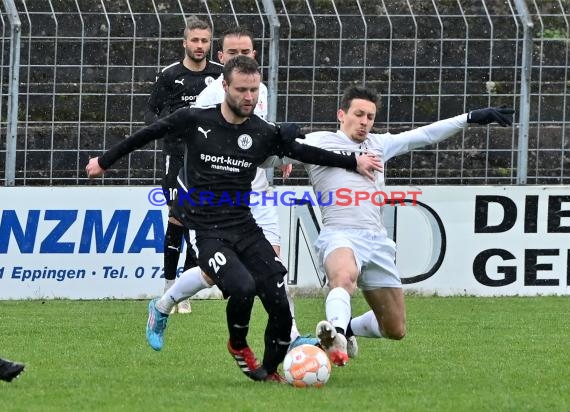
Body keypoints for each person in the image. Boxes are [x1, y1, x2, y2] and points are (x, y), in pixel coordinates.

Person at [86, 56, 381, 382]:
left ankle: (268, 371)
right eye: (242, 90)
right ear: (224, 86)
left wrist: (353, 162)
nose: (249, 97)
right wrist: (104, 160)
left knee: (279, 305)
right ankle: (237, 344)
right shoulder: (194, 119)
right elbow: (145, 134)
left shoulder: (260, 130)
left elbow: (305, 152)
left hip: (244, 226)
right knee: (242, 286)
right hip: (207, 229)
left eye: (254, 90)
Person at [299, 85, 514, 366]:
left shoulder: (379, 144)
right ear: (342, 114)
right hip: (339, 233)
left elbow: (424, 135)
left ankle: (347, 329)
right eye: (359, 114)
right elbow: (272, 149)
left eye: (370, 117)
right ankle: (336, 334)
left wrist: (470, 117)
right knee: (344, 277)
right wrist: (283, 160)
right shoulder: (317, 141)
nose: (365, 121)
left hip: (376, 240)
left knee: (395, 329)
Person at [149, 26, 314, 350]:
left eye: (247, 52)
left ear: (254, 55)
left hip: (260, 194)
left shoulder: (259, 89)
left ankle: (292, 339)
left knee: (273, 272)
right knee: (212, 275)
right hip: (224, 202)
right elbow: (199, 146)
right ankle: (164, 304)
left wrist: (276, 156)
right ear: (222, 58)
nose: (241, 57)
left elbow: (257, 136)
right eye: (234, 53)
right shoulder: (210, 97)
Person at [144, 17, 223, 314]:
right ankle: (168, 283)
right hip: (176, 157)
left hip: (207, 159)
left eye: (205, 41)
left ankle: (183, 290)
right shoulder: (169, 76)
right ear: (185, 42)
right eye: (195, 40)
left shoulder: (219, 75)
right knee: (176, 219)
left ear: (210, 43)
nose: (200, 46)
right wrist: (169, 127)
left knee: (197, 219)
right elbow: (149, 114)